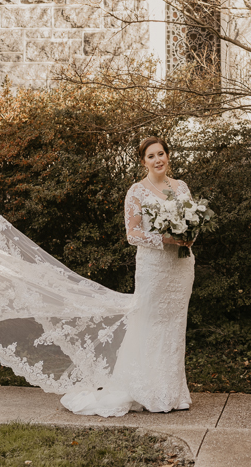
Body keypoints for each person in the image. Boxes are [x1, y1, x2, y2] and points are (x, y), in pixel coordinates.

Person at [60, 137, 194, 416]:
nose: (158, 160)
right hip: (154, 268)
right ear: (143, 161)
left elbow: (193, 221)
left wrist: (189, 236)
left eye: (161, 154)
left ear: (168, 156)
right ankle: (146, 390)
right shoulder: (136, 191)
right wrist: (166, 238)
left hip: (181, 267)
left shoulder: (181, 187)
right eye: (151, 156)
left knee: (174, 327)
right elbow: (132, 234)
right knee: (149, 324)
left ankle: (173, 393)